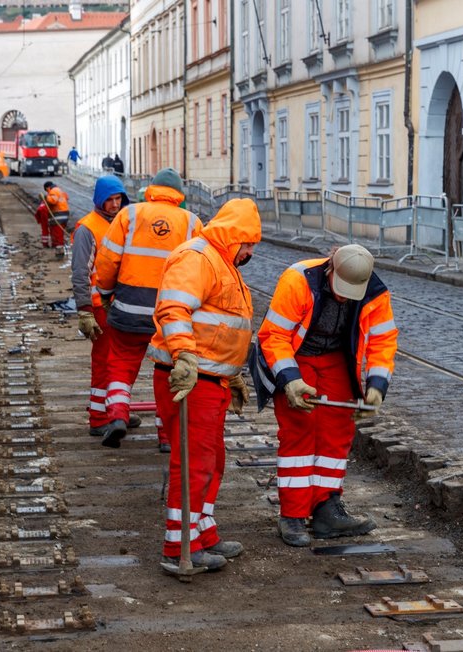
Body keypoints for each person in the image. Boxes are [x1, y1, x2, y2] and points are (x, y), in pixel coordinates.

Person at [253, 244, 398, 547]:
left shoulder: (375, 291)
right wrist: (290, 381)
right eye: (340, 289)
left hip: (334, 358)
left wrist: (376, 386)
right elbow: (275, 336)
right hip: (297, 355)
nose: (344, 297)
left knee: (337, 429)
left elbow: (382, 341)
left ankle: (325, 509)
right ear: (331, 268)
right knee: (299, 430)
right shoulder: (298, 280)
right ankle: (292, 515)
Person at [147, 198, 261, 571]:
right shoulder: (198, 257)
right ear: (236, 237)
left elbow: (221, 327)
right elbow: (174, 309)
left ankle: (202, 533)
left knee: (212, 461)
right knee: (194, 462)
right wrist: (184, 356)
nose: (250, 253)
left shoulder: (221, 263)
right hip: (190, 380)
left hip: (210, 381)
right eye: (249, 245)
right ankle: (178, 547)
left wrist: (233, 372)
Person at [94, 167, 203, 449]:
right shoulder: (192, 222)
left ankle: (117, 416)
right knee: (168, 372)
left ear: (152, 189)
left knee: (120, 364)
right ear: (179, 194)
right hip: (169, 316)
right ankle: (166, 437)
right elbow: (199, 268)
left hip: (128, 309)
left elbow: (107, 261)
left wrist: (105, 294)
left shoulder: (129, 215)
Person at [72, 175, 133, 439]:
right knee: (105, 361)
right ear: (99, 200)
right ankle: (99, 418)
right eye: (109, 199)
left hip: (121, 305)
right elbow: (79, 273)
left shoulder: (125, 223)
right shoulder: (88, 228)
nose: (114, 204)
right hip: (100, 307)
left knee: (120, 362)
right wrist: (85, 310)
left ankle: (117, 410)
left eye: (118, 198)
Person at [42, 181, 71, 252]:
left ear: (47, 188)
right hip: (63, 214)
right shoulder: (59, 190)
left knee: (57, 234)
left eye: (46, 191)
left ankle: (59, 252)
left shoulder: (53, 191)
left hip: (58, 215)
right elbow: (66, 197)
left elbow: (53, 201)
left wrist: (46, 197)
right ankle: (57, 248)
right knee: (58, 233)